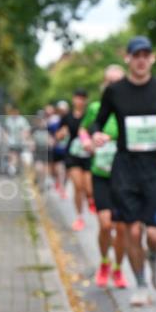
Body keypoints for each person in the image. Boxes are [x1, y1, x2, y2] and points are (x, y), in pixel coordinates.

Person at [91, 36, 156, 307]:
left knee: (154, 234)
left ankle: (153, 256)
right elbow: (99, 120)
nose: (141, 60)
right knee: (131, 232)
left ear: (152, 58)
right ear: (128, 59)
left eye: (146, 55)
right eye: (136, 55)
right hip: (125, 167)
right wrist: (97, 135)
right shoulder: (115, 91)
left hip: (154, 166)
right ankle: (141, 284)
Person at [80, 65, 129, 289]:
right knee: (105, 223)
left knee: (121, 228)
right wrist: (88, 142)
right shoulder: (96, 108)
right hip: (100, 172)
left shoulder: (131, 107)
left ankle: (118, 269)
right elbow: (85, 129)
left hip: (124, 174)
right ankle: (104, 262)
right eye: (110, 82)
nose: (113, 86)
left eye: (117, 82)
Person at [57, 91, 93, 229]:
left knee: (88, 189)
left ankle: (91, 200)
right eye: (78, 98)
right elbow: (58, 135)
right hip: (72, 155)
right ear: (73, 99)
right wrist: (61, 134)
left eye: (83, 99)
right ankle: (79, 217)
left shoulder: (90, 116)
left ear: (86, 100)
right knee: (78, 186)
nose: (80, 101)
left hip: (88, 154)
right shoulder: (66, 117)